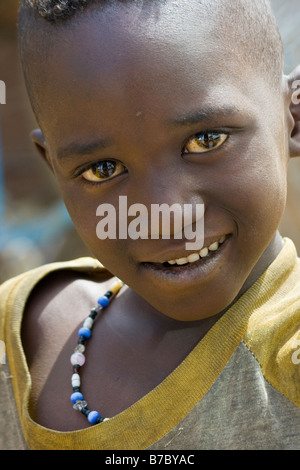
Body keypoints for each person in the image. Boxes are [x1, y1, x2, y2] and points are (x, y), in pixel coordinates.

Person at [0, 0, 300, 450]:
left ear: (292, 118)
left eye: (206, 140)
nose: (164, 214)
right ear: (53, 165)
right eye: (102, 169)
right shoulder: (17, 332)